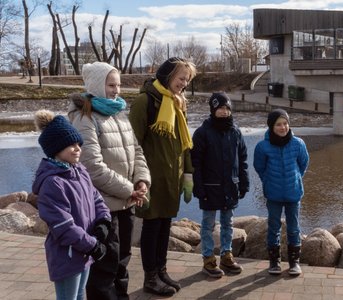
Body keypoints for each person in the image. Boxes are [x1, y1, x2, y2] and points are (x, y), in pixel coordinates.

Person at [67, 62, 151, 300]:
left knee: (122, 261)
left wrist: (142, 180)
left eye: (119, 85)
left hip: (126, 202)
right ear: (96, 85)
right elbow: (92, 167)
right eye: (111, 84)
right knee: (104, 267)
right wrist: (129, 190)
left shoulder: (119, 114)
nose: (117, 90)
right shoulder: (85, 118)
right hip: (103, 207)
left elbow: (137, 151)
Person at [129, 57, 197, 296]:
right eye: (181, 78)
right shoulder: (144, 101)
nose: (184, 84)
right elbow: (133, 144)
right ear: (168, 76)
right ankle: (150, 278)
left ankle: (161, 270)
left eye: (187, 80)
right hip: (151, 178)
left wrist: (188, 173)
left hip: (172, 177)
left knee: (165, 225)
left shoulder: (178, 103)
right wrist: (138, 178)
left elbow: (184, 143)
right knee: (151, 227)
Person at [32, 110, 111, 300]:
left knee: (80, 294)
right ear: (55, 149)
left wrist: (103, 222)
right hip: (67, 255)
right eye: (70, 145)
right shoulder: (53, 183)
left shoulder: (79, 170)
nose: (77, 148)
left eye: (78, 144)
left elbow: (96, 198)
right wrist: (92, 244)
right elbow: (62, 225)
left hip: (84, 250)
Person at [191, 92, 250, 278]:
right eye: (220, 108)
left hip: (230, 186)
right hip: (210, 187)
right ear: (213, 109)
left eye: (227, 108)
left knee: (228, 223)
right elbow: (196, 164)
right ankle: (208, 259)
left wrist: (244, 182)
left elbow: (243, 160)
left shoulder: (236, 132)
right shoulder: (202, 133)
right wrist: (198, 186)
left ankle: (226, 255)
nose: (224, 112)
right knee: (208, 224)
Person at [253, 109, 309, 276]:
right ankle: (274, 262)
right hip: (274, 194)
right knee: (273, 227)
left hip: (293, 193)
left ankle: (294, 263)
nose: (283, 127)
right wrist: (269, 181)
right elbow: (259, 167)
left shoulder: (298, 143)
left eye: (285, 123)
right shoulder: (262, 146)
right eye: (278, 124)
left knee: (293, 228)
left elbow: (303, 164)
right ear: (271, 126)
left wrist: (296, 178)